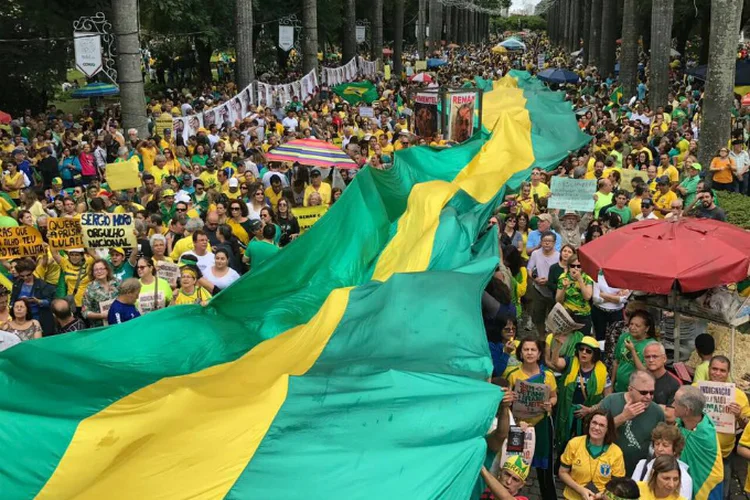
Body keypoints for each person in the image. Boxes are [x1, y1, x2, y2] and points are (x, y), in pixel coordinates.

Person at [504, 338, 557, 500]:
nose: (529, 353)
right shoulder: (512, 375)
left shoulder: (547, 376)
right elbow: (505, 403)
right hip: (518, 426)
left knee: (544, 469)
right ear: (520, 353)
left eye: (533, 350)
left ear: (539, 353)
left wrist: (550, 404)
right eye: (525, 349)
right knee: (513, 465)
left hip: (541, 424)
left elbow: (554, 396)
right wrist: (509, 399)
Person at [550, 336, 612, 452]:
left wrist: (590, 409)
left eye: (588, 351)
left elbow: (608, 397)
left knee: (583, 446)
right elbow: (555, 362)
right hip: (567, 412)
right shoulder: (570, 362)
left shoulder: (602, 371)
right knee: (564, 444)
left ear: (595, 354)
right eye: (581, 349)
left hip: (588, 416)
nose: (584, 353)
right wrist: (558, 345)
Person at [698, 355, 750, 493]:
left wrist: (739, 416)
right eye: (714, 369)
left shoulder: (739, 395)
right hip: (698, 451)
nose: (718, 373)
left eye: (722, 370)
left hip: (724, 454)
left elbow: (747, 428)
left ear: (728, 373)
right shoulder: (695, 389)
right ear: (708, 370)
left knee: (722, 491)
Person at [600, 370, 665, 474]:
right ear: (630, 389)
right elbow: (596, 432)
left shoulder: (657, 412)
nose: (648, 397)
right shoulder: (611, 401)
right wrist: (623, 417)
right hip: (606, 468)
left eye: (652, 392)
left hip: (637, 472)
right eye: (643, 392)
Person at [559, 409, 625, 500]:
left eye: (602, 425)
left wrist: (601, 495)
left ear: (608, 429)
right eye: (594, 423)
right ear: (589, 423)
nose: (596, 427)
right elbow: (562, 472)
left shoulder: (616, 453)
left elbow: (617, 484)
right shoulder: (574, 443)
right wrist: (580, 490)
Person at [673, 385, 724, 500]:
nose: (672, 405)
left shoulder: (705, 436)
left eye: (675, 402)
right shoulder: (683, 422)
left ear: (687, 410)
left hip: (706, 487)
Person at [632, 423, 693, 500]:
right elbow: (631, 493)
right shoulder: (642, 465)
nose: (659, 449)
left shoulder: (685, 478)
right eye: (657, 444)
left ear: (675, 449)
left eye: (665, 445)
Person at [611, 309, 657, 393]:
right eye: (631, 324)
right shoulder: (624, 337)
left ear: (647, 328)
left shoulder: (651, 345)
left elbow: (645, 372)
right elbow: (616, 362)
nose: (632, 328)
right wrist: (611, 384)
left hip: (637, 392)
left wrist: (632, 351)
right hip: (618, 389)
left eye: (637, 326)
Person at [526, 231, 560, 335]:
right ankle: (541, 336)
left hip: (553, 291)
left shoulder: (559, 256)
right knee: (538, 316)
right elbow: (529, 269)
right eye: (544, 241)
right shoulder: (535, 254)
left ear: (554, 243)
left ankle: (551, 338)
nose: (547, 243)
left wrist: (549, 282)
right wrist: (534, 279)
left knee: (553, 317)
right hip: (538, 290)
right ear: (541, 242)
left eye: (549, 241)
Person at [10, 257, 55, 335]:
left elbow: (51, 302)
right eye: (22, 276)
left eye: (28, 275)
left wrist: (38, 301)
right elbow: (13, 299)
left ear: (32, 272)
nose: (25, 278)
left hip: (39, 317)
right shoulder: (17, 284)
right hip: (21, 318)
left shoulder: (42, 285)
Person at [556, 251, 594, 335]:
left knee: (582, 341)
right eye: (573, 266)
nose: (576, 268)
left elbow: (587, 297)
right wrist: (564, 288)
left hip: (583, 315)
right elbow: (558, 300)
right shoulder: (563, 278)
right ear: (569, 267)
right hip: (567, 314)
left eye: (579, 266)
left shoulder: (587, 278)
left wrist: (580, 280)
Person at [643, 343, 682, 423]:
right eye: (647, 357)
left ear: (664, 358)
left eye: (655, 356)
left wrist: (644, 404)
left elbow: (671, 417)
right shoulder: (638, 379)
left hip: (662, 431)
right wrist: (661, 407)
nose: (651, 360)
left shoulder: (675, 383)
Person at [81, 259, 120, 328]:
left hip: (119, 323)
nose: (99, 271)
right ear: (93, 273)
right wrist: (101, 315)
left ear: (107, 270)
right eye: (96, 270)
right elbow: (85, 313)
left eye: (101, 269)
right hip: (100, 327)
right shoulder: (89, 289)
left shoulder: (117, 283)